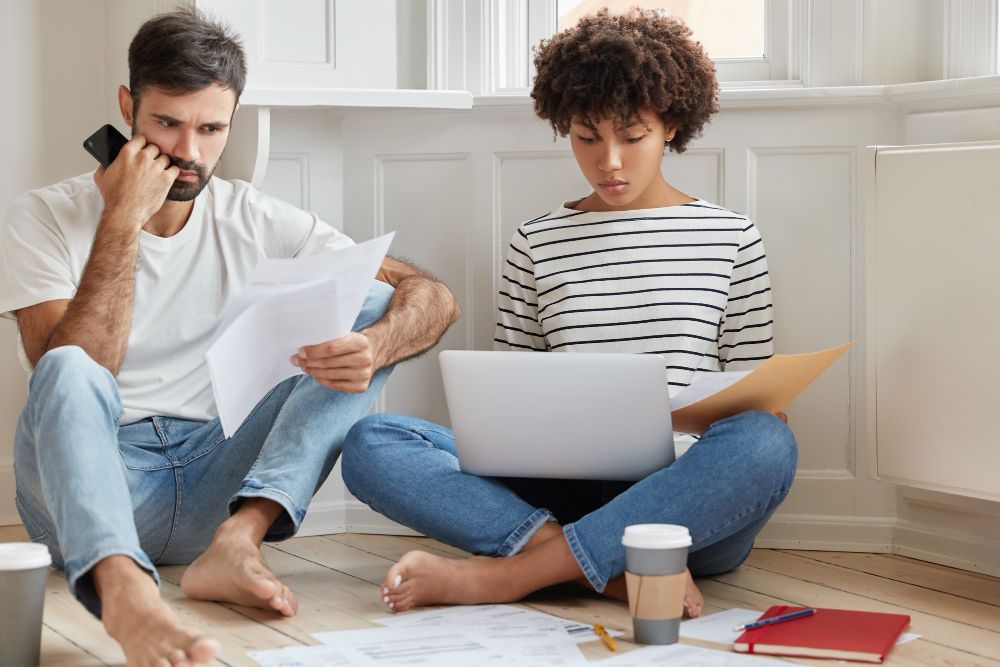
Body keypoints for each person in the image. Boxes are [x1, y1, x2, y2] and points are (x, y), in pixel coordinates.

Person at [0, 8, 459, 667]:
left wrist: (377, 345)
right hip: (94, 484)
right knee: (68, 368)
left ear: (232, 119)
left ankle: (238, 542)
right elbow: (79, 365)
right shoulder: (41, 217)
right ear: (128, 106)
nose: (189, 151)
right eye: (167, 123)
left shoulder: (253, 216)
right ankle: (124, 591)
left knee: (377, 305)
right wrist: (123, 220)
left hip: (216, 475)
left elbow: (431, 295)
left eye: (211, 127)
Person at [341, 8, 796, 616]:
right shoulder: (537, 241)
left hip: (681, 510)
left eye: (632, 137)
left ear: (672, 126)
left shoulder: (732, 237)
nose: (609, 161)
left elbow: (759, 397)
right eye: (587, 137)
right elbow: (510, 405)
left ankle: (510, 576)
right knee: (375, 439)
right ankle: (595, 569)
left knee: (766, 442)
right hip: (556, 498)